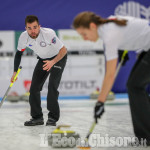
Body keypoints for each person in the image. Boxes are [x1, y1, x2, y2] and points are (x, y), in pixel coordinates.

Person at [72, 11, 150, 146]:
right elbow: (130, 28)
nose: (84, 39)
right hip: (147, 48)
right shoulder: (108, 25)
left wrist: (100, 102)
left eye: (84, 34)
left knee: (135, 86)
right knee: (135, 86)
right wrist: (122, 47)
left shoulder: (109, 35)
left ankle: (146, 137)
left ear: (92, 26)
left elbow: (110, 75)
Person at [11, 15, 67, 126]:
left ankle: (53, 118)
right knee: (34, 88)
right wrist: (14, 72)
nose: (33, 31)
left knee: (52, 87)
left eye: (35, 27)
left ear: (39, 26)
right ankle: (37, 118)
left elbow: (63, 50)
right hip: (43, 60)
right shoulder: (23, 37)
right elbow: (18, 54)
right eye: (29, 28)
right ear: (26, 28)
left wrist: (53, 62)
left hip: (58, 58)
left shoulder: (48, 34)